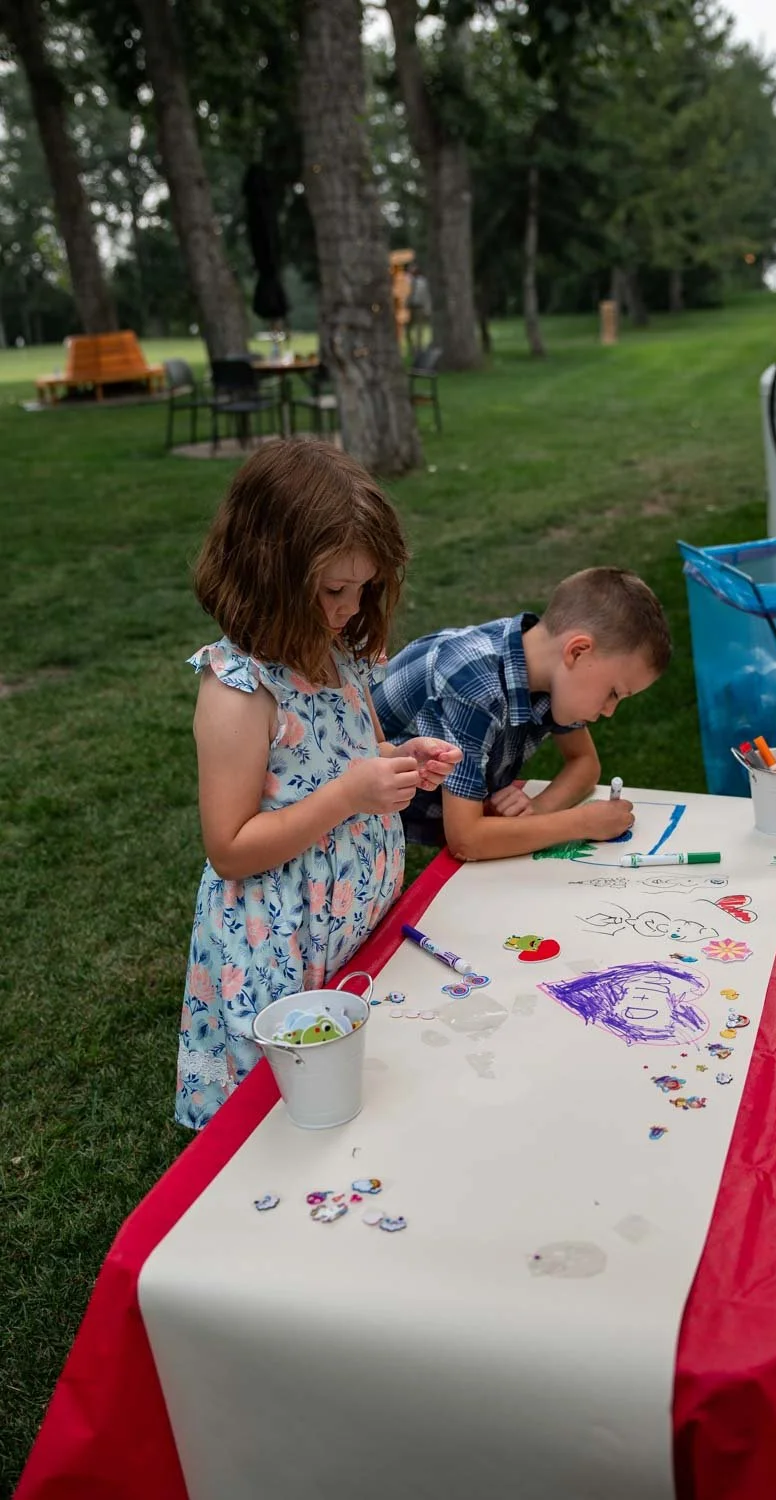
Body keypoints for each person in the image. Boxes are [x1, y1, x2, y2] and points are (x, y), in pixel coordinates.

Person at [176, 438, 462, 1128]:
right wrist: (348, 795)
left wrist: (395, 760)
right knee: (279, 1123)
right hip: (276, 952)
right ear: (269, 573)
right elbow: (231, 847)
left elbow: (338, 754)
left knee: (351, 1109)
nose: (350, 607)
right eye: (335, 590)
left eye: (363, 589)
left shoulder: (334, 655)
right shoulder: (238, 694)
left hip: (346, 931)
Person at [371, 567, 672, 862]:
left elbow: (585, 764)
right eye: (613, 693)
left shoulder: (552, 668)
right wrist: (581, 823)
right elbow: (466, 840)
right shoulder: (473, 686)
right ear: (578, 651)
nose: (609, 711)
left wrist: (536, 810)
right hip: (360, 812)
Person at [406, 261, 432, 356]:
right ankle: (411, 347)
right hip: (408, 307)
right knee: (408, 329)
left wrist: (427, 309)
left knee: (419, 329)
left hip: (419, 306)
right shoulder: (406, 280)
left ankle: (419, 349)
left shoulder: (422, 282)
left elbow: (426, 296)